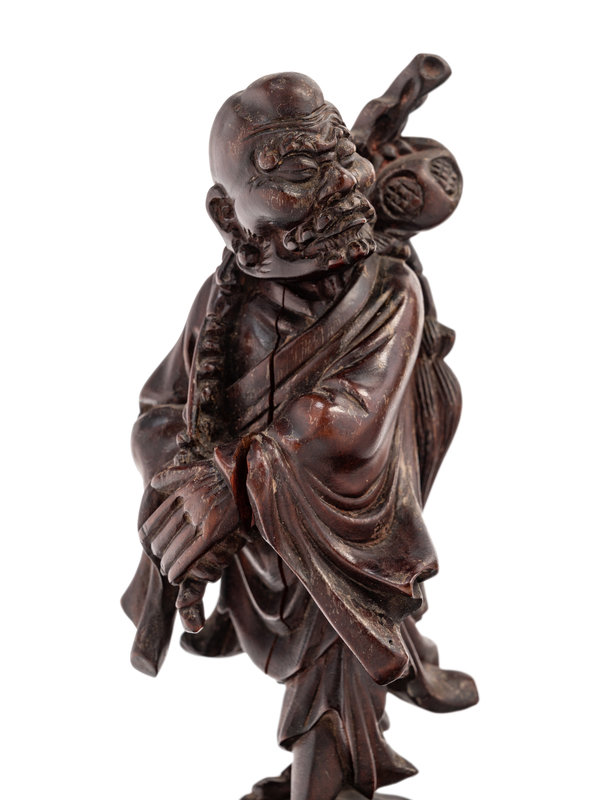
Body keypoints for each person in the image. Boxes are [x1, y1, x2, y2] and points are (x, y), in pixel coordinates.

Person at [122, 71, 477, 800]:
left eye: (341, 154)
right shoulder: (223, 300)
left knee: (337, 681)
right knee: (315, 686)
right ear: (228, 213)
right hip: (262, 543)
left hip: (342, 531)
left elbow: (346, 416)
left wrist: (233, 479)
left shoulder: (389, 290)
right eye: (295, 172)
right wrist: (189, 482)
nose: (342, 182)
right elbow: (159, 410)